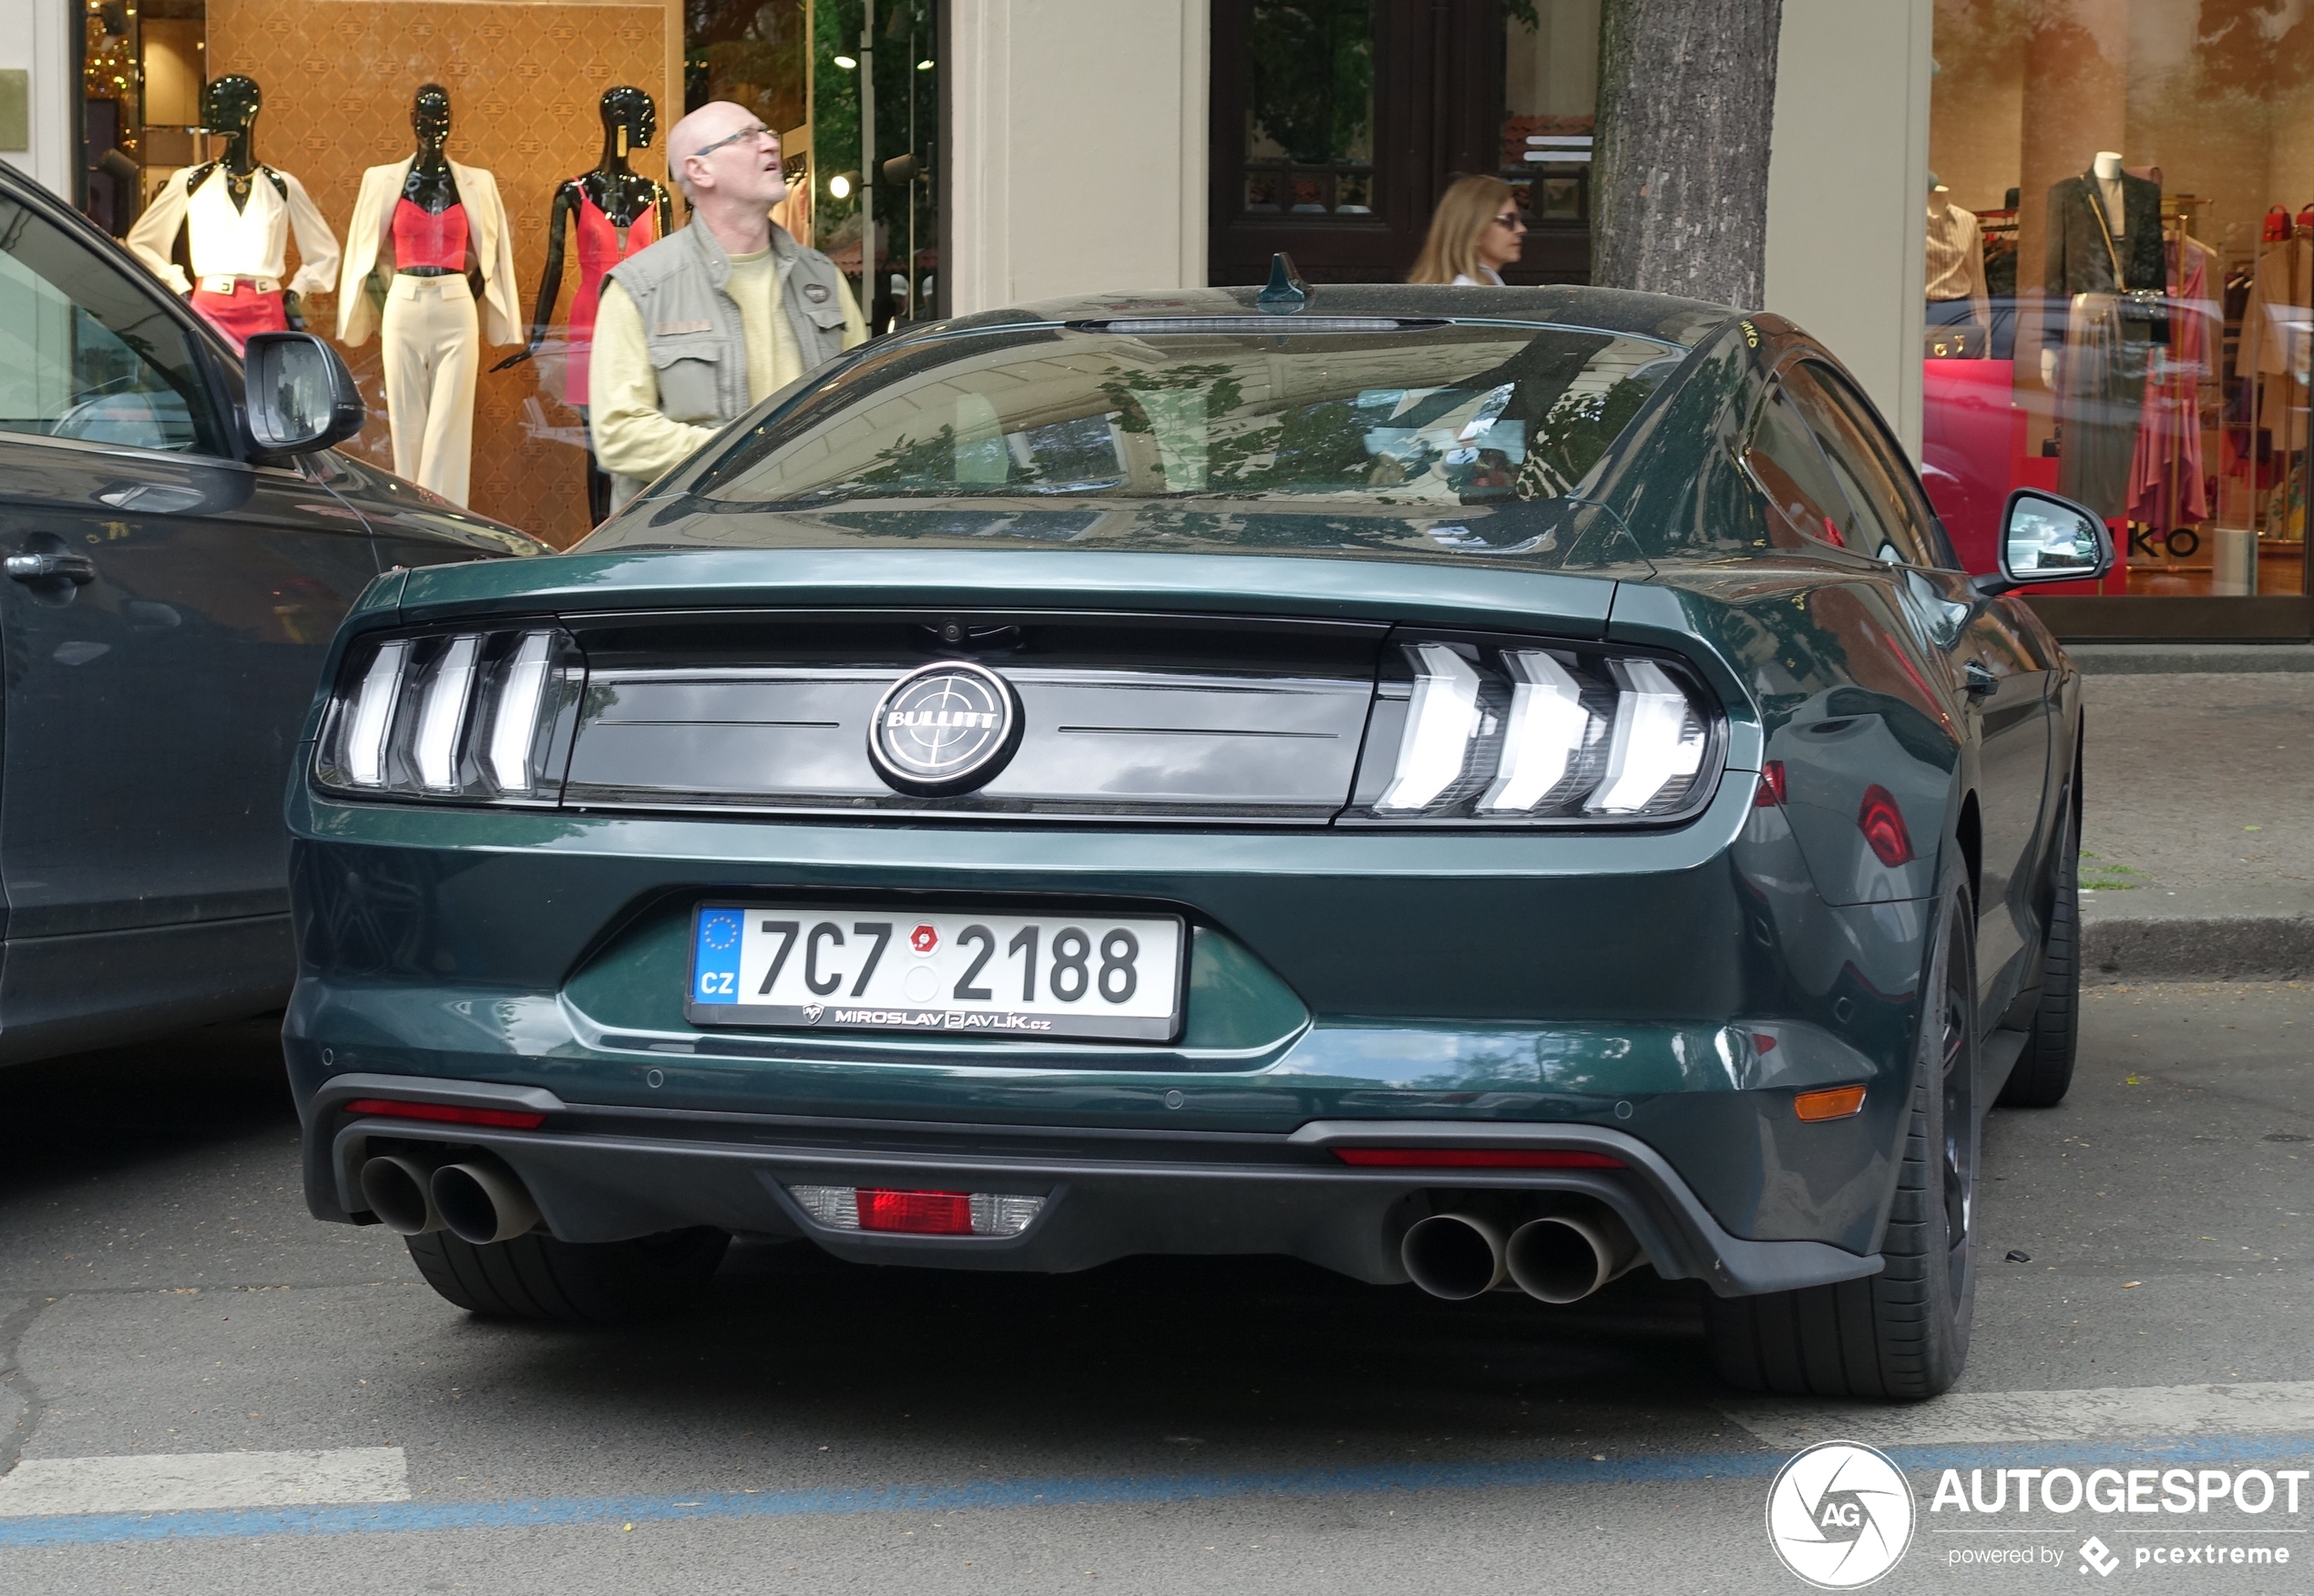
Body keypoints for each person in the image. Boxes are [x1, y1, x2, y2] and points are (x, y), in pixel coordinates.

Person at [589, 100, 867, 512]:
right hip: (688, 542)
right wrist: (757, 455)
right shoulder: (641, 287)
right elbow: (621, 436)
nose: (771, 145)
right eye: (746, 136)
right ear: (700, 170)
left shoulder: (822, 279)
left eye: (768, 132)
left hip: (813, 528)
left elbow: (864, 404)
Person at [1408, 175, 1526, 285]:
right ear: (1475, 231)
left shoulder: (1483, 283)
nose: (1521, 229)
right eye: (1507, 220)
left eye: (1517, 219)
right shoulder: (1468, 291)